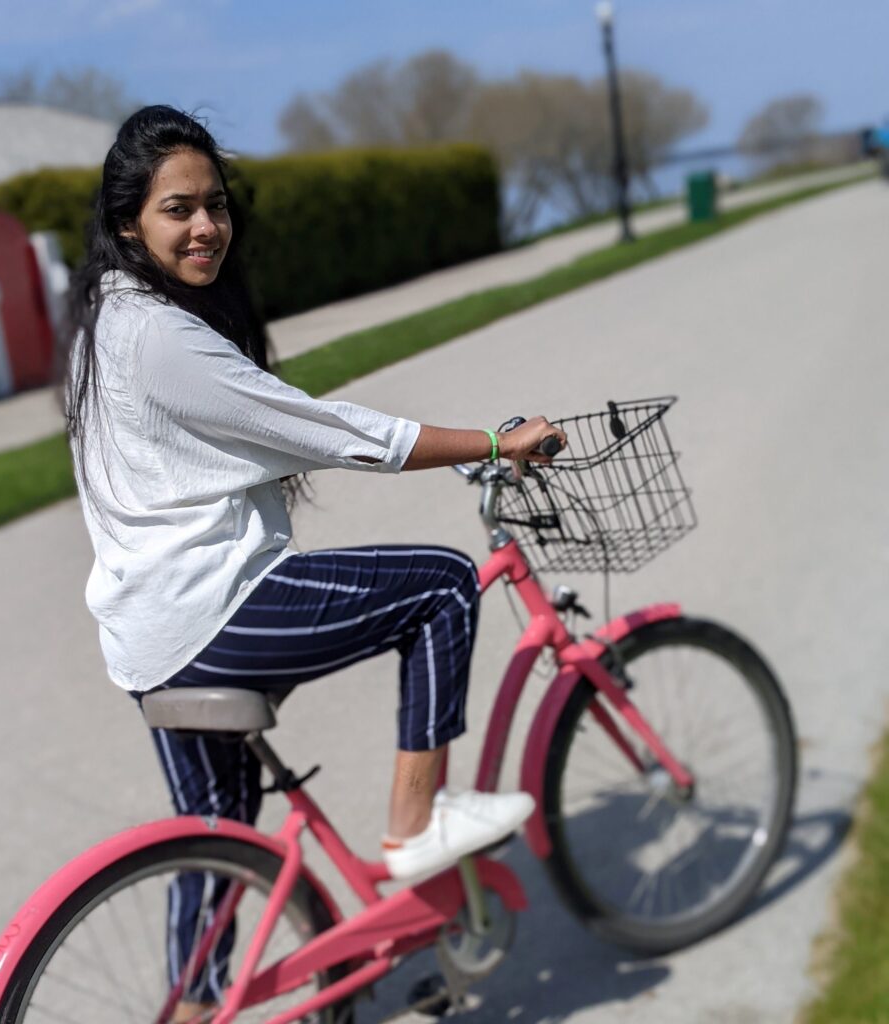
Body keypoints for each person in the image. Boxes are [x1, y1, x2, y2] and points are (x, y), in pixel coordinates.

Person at [65, 104, 566, 1020]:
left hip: (148, 635)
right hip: (209, 607)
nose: (206, 226)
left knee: (215, 843)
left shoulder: (106, 315)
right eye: (178, 209)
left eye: (216, 205)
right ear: (129, 219)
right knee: (445, 586)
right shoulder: (159, 336)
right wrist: (491, 442)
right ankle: (418, 829)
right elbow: (326, 432)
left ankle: (190, 1008)